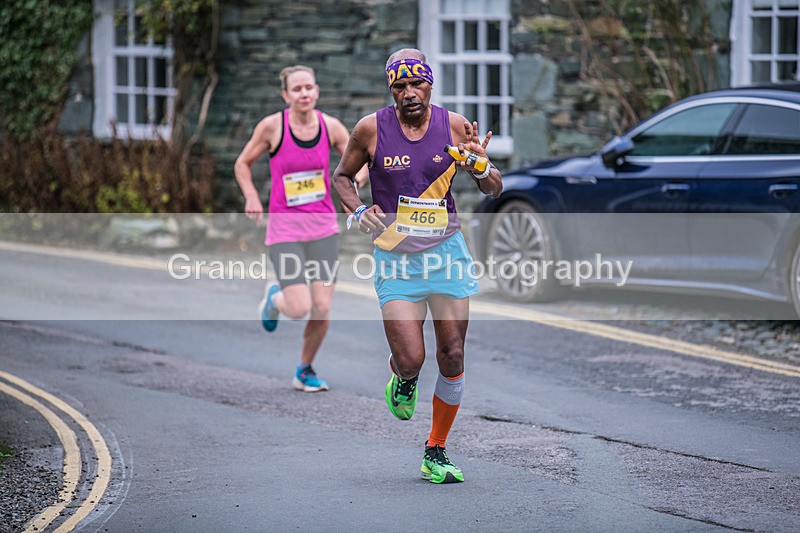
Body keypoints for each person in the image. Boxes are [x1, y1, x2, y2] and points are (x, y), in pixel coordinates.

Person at [332, 49, 502, 483]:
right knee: (411, 358)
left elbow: (493, 187)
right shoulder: (370, 129)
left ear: (430, 85)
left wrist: (480, 166)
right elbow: (342, 178)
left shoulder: (456, 126)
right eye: (400, 86)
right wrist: (358, 210)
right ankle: (403, 379)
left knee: (453, 352)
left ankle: (436, 450)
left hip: (447, 253)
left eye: (417, 84)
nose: (409, 93)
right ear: (391, 89)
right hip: (396, 257)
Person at [234, 65, 366, 393]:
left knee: (321, 307)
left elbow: (359, 163)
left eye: (309, 87)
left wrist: (355, 186)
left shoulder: (331, 127)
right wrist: (251, 196)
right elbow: (242, 163)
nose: (304, 93)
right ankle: (274, 297)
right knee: (298, 308)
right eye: (297, 88)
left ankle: (304, 369)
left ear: (316, 91)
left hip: (323, 228)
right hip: (285, 231)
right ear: (285, 95)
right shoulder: (272, 127)